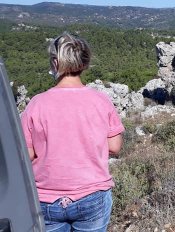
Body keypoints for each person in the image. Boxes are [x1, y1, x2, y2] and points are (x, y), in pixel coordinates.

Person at [20, 32, 125, 232]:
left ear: (54, 62)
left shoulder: (36, 104)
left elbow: (28, 155)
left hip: (45, 199)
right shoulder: (100, 101)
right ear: (84, 63)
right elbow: (115, 146)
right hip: (92, 196)